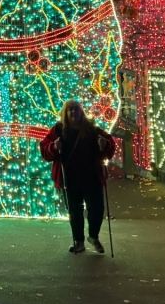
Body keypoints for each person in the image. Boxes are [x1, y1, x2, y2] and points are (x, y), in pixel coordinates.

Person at [40, 100, 116, 254]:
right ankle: (79, 242)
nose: (73, 112)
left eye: (76, 109)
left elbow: (109, 144)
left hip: (92, 176)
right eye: (70, 110)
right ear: (65, 113)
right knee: (75, 212)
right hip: (69, 179)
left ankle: (93, 236)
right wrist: (53, 146)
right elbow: (44, 148)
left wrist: (105, 144)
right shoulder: (58, 130)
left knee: (97, 208)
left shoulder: (92, 130)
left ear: (82, 111)